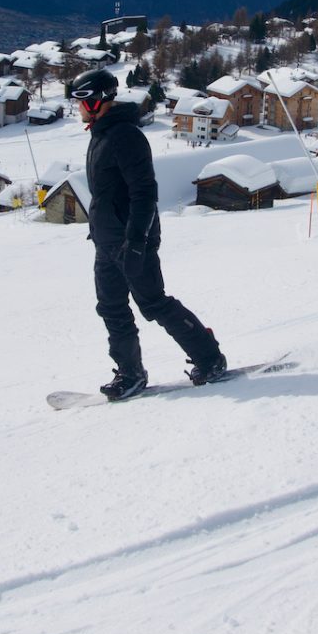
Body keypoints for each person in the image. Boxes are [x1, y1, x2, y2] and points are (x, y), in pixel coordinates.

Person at [70, 68, 227, 400]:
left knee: (154, 304)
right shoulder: (100, 133)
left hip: (132, 239)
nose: (77, 109)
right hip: (107, 240)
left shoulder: (125, 135)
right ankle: (130, 373)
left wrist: (137, 241)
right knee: (111, 308)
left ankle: (209, 358)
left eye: (80, 102)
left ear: (96, 101)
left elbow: (144, 192)